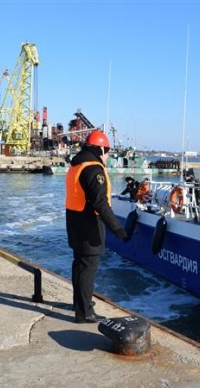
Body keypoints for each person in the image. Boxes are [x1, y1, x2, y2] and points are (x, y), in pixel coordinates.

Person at [65, 131, 127, 323]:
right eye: (107, 151)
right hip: (89, 226)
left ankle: (79, 304)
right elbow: (100, 202)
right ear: (100, 149)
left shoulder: (77, 165)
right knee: (88, 269)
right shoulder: (94, 169)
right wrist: (117, 228)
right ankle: (84, 313)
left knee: (79, 265)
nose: (108, 155)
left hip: (74, 222)